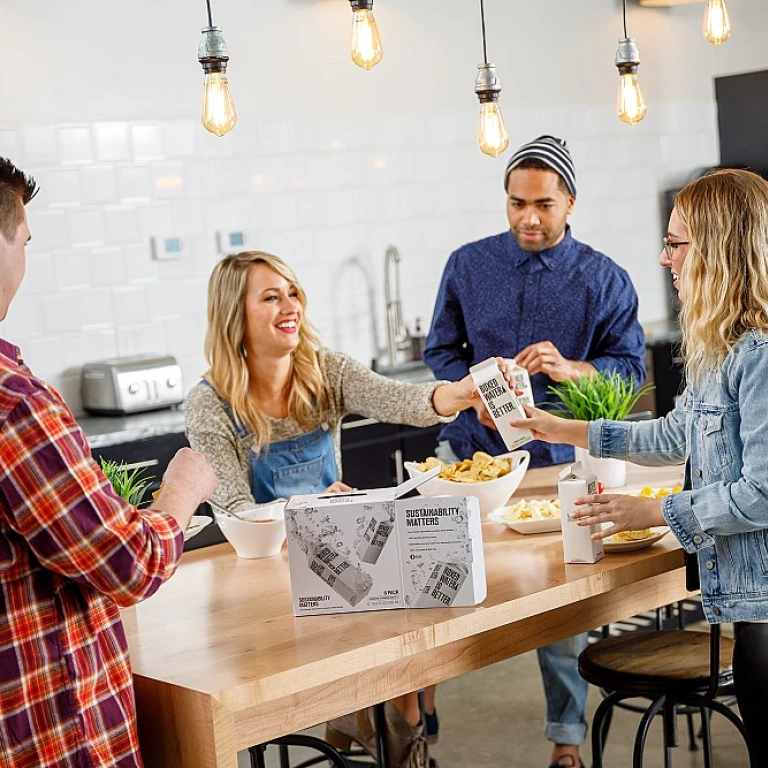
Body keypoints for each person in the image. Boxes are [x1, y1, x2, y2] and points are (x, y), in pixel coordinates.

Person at [185, 250, 511, 768]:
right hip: (267, 576)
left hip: (343, 557)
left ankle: (383, 737)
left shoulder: (324, 370)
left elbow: (401, 401)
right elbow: (235, 509)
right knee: (393, 646)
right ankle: (379, 731)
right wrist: (309, 509)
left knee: (414, 623)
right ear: (235, 315)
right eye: (270, 297)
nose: (289, 305)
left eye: (291, 292)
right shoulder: (210, 404)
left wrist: (461, 392)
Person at [510, 168, 768, 758]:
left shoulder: (760, 355)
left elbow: (762, 493)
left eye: (676, 243)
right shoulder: (721, 348)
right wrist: (558, 427)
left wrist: (651, 511)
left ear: (719, 251)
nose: (663, 258)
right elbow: (675, 434)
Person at [423, 135, 647, 768]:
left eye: (543, 204)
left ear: (570, 202)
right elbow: (440, 351)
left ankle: (566, 741)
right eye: (517, 202)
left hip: (558, 465)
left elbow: (630, 373)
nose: (528, 216)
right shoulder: (467, 265)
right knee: (435, 587)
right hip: (471, 457)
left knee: (561, 609)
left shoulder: (604, 279)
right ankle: (418, 723)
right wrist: (468, 387)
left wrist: (572, 368)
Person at [0, 157, 219, 768]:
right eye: (25, 239)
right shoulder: (13, 403)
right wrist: (180, 491)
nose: (25, 258)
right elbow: (129, 563)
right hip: (49, 735)